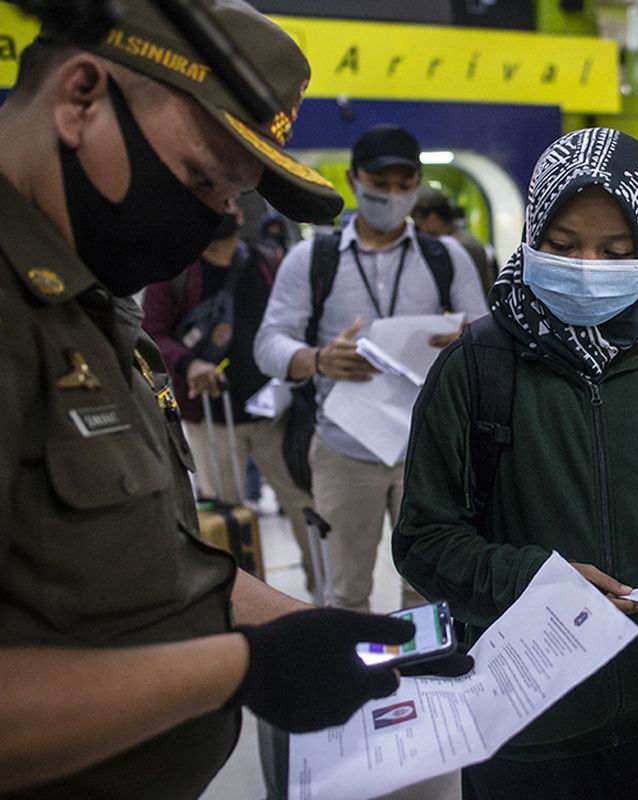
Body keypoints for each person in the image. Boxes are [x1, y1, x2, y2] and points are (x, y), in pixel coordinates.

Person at [0, 1, 433, 795]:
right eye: (202, 180)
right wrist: (240, 669)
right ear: (81, 99)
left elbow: (149, 565)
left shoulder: (92, 301)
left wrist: (307, 629)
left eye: (231, 200)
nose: (213, 219)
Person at [393, 128, 638, 799]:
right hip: (527, 719)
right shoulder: (477, 369)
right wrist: (533, 581)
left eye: (616, 250)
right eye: (564, 246)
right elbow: (424, 542)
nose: (586, 266)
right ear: (533, 233)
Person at [255, 125, 488, 613]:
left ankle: (427, 679)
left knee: (429, 588)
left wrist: (465, 339)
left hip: (430, 452)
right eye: (380, 184)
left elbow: (488, 336)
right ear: (353, 179)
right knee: (345, 589)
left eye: (406, 184)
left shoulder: (445, 258)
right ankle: (355, 683)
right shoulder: (311, 259)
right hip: (343, 448)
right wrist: (317, 359)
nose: (393, 195)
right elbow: (268, 343)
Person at [141, 204, 317, 591]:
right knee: (225, 513)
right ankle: (241, 598)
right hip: (209, 415)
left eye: (232, 204)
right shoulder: (174, 272)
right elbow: (152, 332)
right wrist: (188, 365)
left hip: (273, 411)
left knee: (302, 502)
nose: (225, 211)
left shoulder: (267, 262)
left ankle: (319, 584)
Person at [413, 186, 497, 292]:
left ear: (433, 217)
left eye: (417, 218)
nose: (417, 226)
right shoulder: (456, 241)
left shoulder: (461, 246)